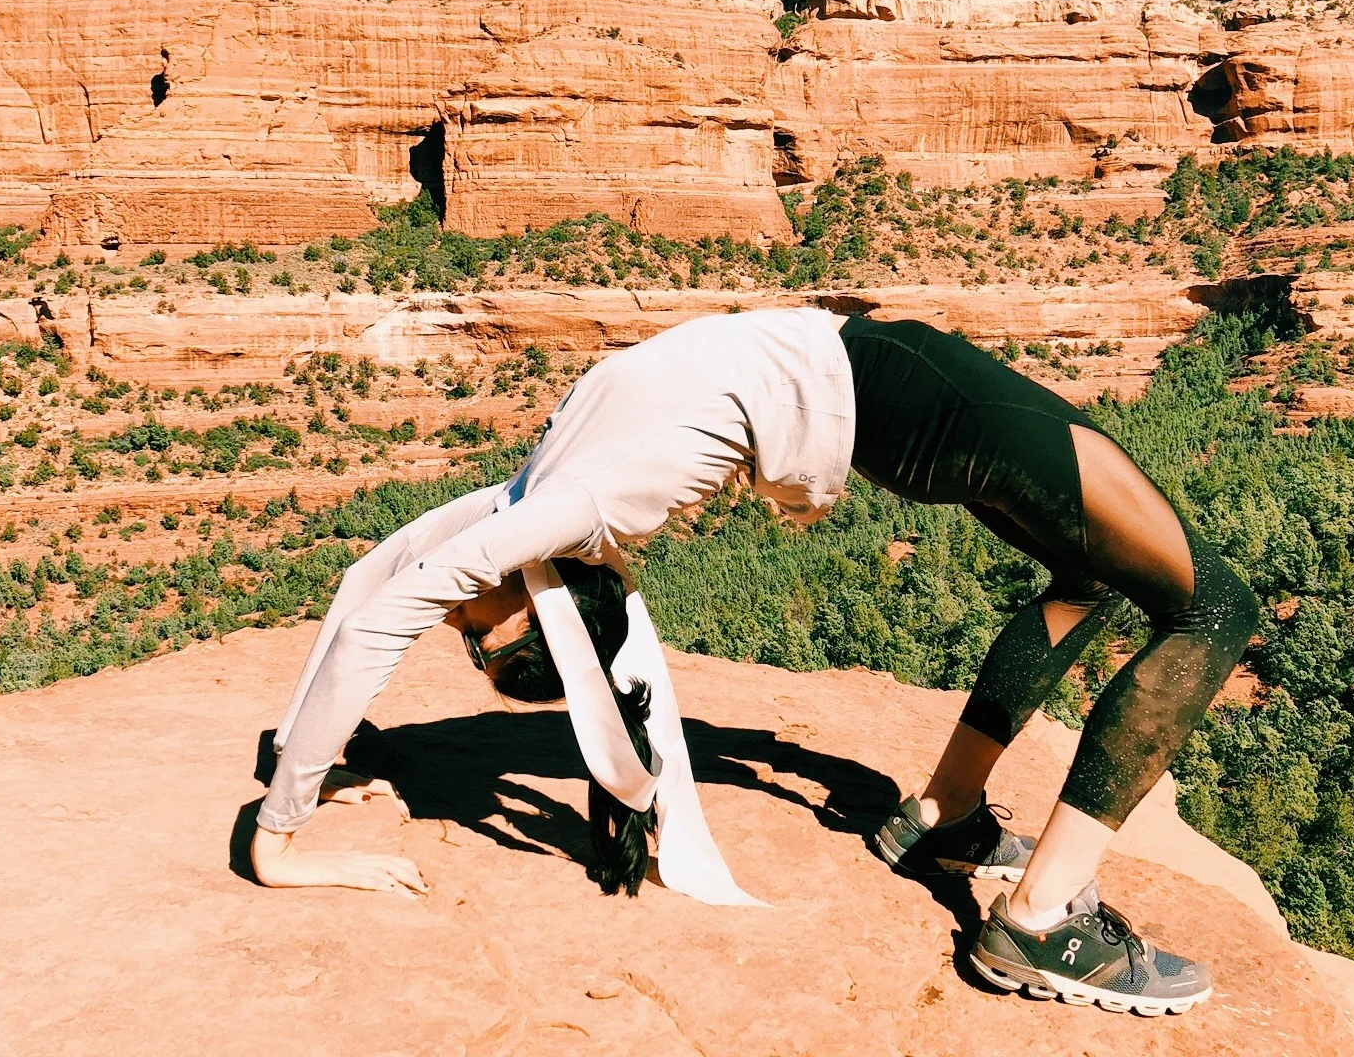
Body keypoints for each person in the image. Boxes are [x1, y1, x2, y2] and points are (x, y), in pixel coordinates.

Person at [251, 308, 1256, 1017]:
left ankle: (941, 816)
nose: (461, 624)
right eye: (484, 640)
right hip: (910, 398)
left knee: (1085, 571)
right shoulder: (558, 513)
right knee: (1213, 610)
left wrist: (311, 769)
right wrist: (281, 839)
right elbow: (394, 604)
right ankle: (1037, 917)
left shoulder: (531, 505)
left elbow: (374, 580)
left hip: (895, 398)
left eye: (472, 638)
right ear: (544, 609)